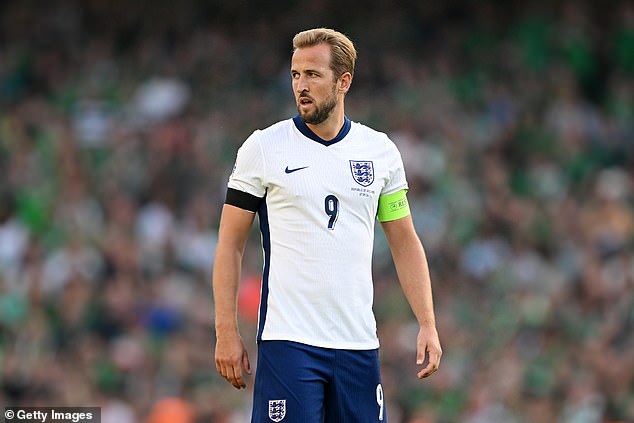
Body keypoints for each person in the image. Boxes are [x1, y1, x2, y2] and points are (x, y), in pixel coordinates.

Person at [213, 27, 442, 423]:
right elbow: (230, 244)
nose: (301, 85)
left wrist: (427, 323)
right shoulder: (263, 148)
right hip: (289, 343)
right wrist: (225, 331)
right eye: (296, 75)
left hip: (357, 344)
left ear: (343, 82)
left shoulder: (379, 152)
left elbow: (405, 242)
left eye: (313, 75)